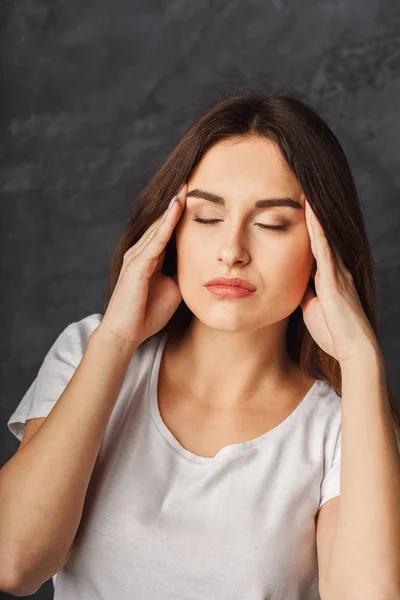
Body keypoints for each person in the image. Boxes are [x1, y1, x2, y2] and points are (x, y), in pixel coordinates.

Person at [2, 88, 400, 599]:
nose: (232, 251)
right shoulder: (89, 350)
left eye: (271, 223)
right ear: (170, 231)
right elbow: (12, 562)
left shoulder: (343, 425)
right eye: (207, 218)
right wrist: (118, 340)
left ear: (325, 250)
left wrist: (361, 360)